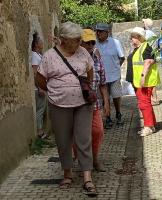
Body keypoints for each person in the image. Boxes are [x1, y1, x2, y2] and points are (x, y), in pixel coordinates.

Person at [36, 22, 97, 197]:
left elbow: (90, 72)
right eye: (75, 40)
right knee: (63, 140)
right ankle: (67, 174)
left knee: (84, 139)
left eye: (80, 39)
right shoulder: (49, 56)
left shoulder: (83, 52)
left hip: (83, 104)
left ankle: (87, 177)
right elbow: (40, 79)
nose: (79, 42)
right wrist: (55, 91)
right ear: (62, 40)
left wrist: (85, 89)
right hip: (59, 104)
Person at [74, 28, 109, 172]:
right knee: (78, 135)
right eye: (86, 42)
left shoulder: (97, 60)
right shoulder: (73, 59)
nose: (90, 45)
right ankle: (83, 162)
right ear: (80, 43)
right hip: (76, 104)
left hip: (93, 104)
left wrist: (107, 103)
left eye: (92, 42)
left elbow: (102, 84)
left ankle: (94, 160)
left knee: (98, 132)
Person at [126, 27, 160, 136]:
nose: (131, 39)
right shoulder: (139, 48)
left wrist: (143, 76)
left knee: (144, 104)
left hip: (143, 82)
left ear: (139, 37)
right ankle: (151, 124)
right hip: (138, 82)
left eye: (133, 37)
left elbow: (148, 62)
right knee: (145, 103)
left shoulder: (146, 47)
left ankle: (148, 126)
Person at [95, 23, 125, 129]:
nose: (98, 33)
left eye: (100, 31)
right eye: (97, 31)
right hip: (101, 77)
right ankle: (107, 117)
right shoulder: (94, 44)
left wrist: (116, 67)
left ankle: (118, 113)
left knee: (116, 96)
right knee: (104, 98)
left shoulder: (115, 42)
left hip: (114, 75)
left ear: (107, 32)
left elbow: (122, 57)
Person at [31, 33, 48, 139]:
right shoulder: (34, 56)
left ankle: (41, 130)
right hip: (38, 88)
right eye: (41, 42)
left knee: (42, 109)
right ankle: (39, 132)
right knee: (40, 110)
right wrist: (40, 87)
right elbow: (35, 73)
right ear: (37, 44)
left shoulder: (38, 55)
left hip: (41, 87)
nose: (43, 44)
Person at [142, 18, 159, 105]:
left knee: (148, 79)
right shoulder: (154, 34)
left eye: (143, 22)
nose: (142, 23)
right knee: (152, 79)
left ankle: (153, 98)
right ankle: (154, 98)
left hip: (147, 58)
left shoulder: (146, 34)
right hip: (154, 57)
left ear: (145, 24)